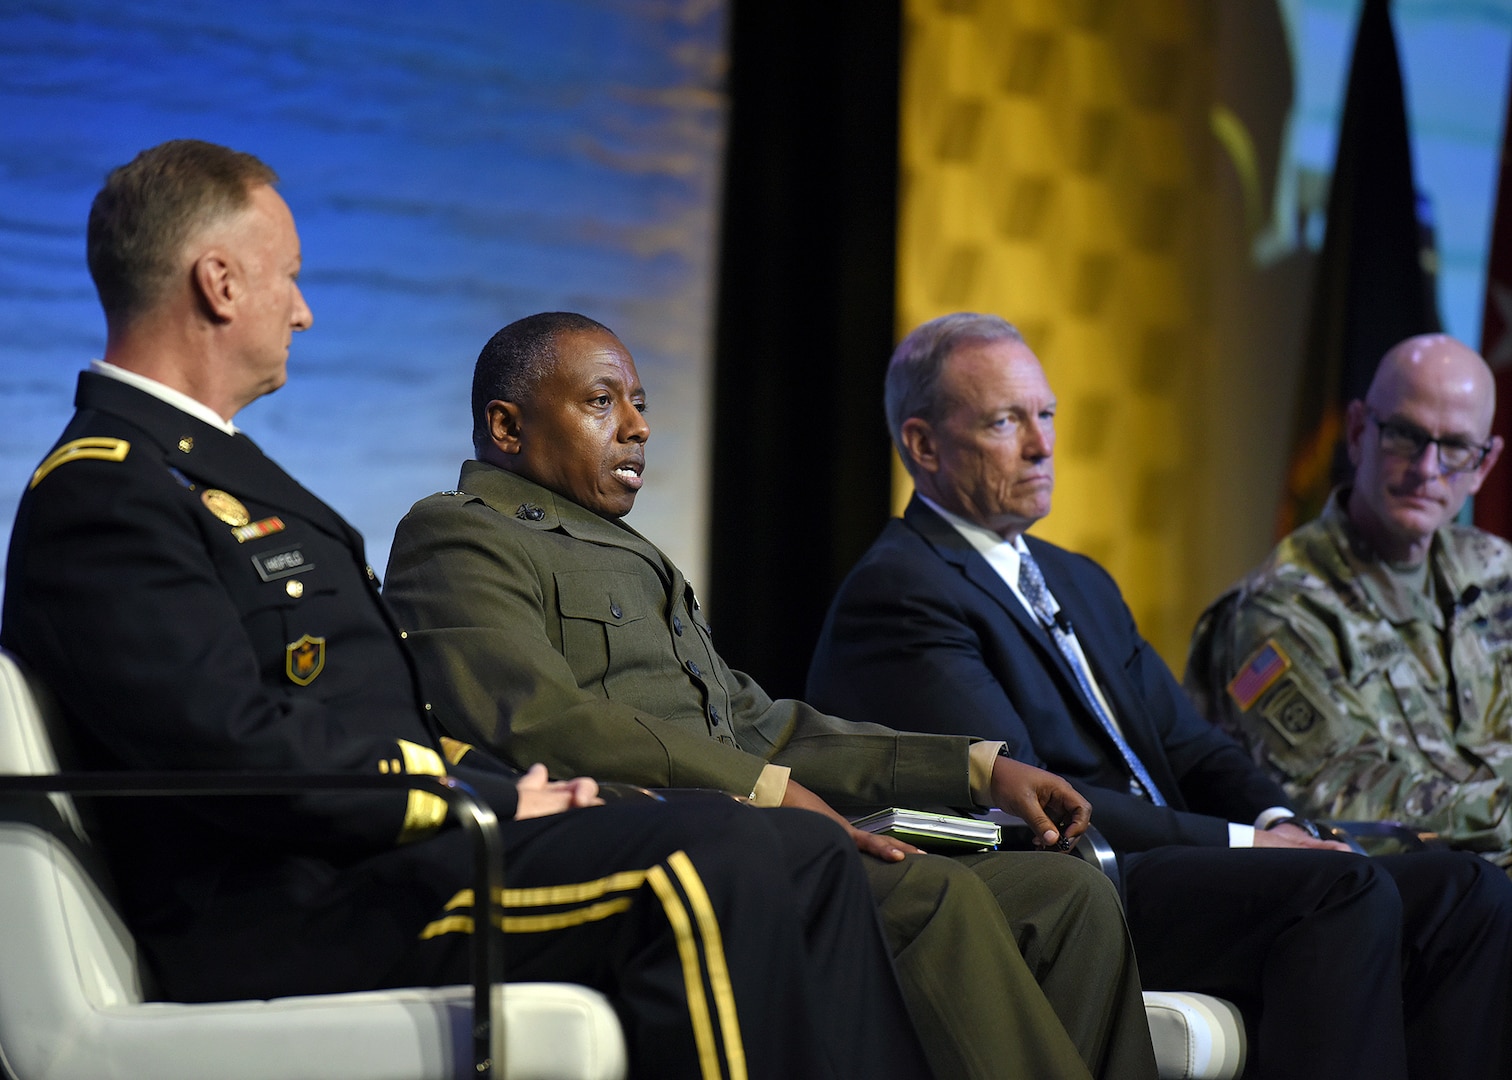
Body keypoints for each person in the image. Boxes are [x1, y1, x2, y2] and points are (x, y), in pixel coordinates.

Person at [0, 139, 940, 1080]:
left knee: (796, 850)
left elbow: (354, 714)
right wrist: (461, 804)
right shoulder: (108, 494)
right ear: (219, 284)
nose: (304, 309)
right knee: (715, 860)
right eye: (287, 277)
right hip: (293, 905)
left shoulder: (213, 474)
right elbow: (226, 748)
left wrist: (504, 794)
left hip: (377, 861)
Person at [383, 311, 1160, 1080]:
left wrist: (977, 770)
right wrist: (767, 793)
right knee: (930, 897)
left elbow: (760, 724)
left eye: (641, 403)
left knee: (1066, 897)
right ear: (507, 427)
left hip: (762, 830)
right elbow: (542, 720)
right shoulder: (457, 535)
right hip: (664, 850)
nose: (637, 428)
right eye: (601, 403)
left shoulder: (629, 550)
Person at [805, 312, 1512, 1080]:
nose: (1043, 445)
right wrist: (1248, 846)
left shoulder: (1076, 576)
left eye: (1045, 415)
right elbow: (1038, 803)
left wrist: (1281, 821)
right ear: (923, 445)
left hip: (1172, 861)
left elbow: (1192, 746)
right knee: (1337, 891)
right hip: (1083, 880)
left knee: (1465, 890)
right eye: (1006, 422)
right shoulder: (903, 590)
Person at [1186, 334, 1512, 868]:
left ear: (1484, 464)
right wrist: (1500, 813)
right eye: (1406, 436)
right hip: (1395, 905)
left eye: (1455, 446)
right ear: (1359, 431)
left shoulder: (1498, 572)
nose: (1428, 469)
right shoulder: (1276, 610)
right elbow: (1336, 800)